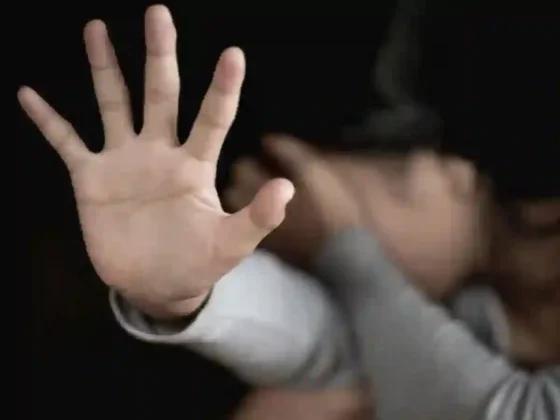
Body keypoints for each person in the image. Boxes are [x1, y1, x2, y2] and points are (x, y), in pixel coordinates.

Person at [20, 5, 558, 420]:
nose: (458, 171)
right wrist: (185, 290)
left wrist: (344, 246)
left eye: (398, 175)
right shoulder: (466, 322)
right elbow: (336, 341)